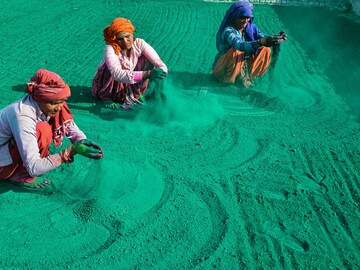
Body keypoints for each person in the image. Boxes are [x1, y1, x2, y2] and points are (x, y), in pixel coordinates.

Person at [0, 69, 104, 189]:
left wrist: (81, 141)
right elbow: (34, 168)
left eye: (62, 101)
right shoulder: (23, 116)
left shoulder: (51, 103)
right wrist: (68, 152)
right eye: (55, 103)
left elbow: (70, 127)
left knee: (44, 129)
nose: (59, 107)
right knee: (42, 129)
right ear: (39, 99)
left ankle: (21, 166)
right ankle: (20, 175)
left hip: (7, 146)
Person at [92, 18, 168, 109]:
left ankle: (142, 94)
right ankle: (106, 97)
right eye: (120, 39)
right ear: (115, 39)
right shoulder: (110, 49)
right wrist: (147, 74)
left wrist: (160, 74)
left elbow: (158, 62)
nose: (125, 41)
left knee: (148, 62)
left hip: (131, 77)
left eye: (127, 36)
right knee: (109, 69)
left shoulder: (140, 43)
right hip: (114, 82)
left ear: (132, 34)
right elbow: (117, 74)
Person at [213, 0, 287, 88]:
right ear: (234, 17)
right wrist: (263, 41)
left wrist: (273, 39)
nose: (245, 21)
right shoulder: (228, 31)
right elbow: (239, 45)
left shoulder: (251, 28)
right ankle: (227, 81)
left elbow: (263, 37)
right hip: (224, 67)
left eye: (248, 18)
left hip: (243, 62)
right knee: (236, 52)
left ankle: (248, 75)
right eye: (242, 17)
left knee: (265, 49)